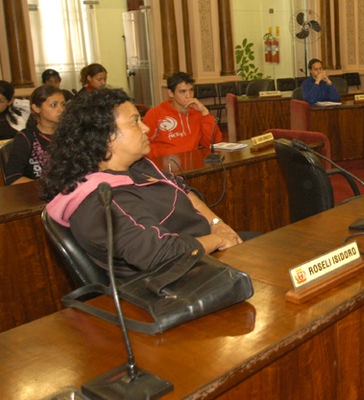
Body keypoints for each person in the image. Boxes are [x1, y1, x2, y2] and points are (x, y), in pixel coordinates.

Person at [43, 89, 243, 278]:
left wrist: (217, 224)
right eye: (135, 121)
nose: (146, 128)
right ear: (105, 136)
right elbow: (160, 253)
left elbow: (181, 188)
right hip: (174, 279)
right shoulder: (104, 199)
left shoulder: (138, 165)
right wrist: (218, 240)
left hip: (202, 255)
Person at [143, 71, 221, 157]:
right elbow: (143, 145)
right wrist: (166, 154)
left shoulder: (198, 113)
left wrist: (205, 113)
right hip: (164, 161)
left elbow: (212, 143)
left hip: (192, 162)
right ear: (171, 93)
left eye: (191, 90)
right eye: (182, 91)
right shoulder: (155, 113)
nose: (188, 96)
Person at [3, 85, 65, 185]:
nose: (61, 109)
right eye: (53, 105)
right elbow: (13, 178)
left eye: (63, 104)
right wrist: (48, 187)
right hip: (38, 191)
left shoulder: (70, 134)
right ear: (36, 108)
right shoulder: (26, 137)